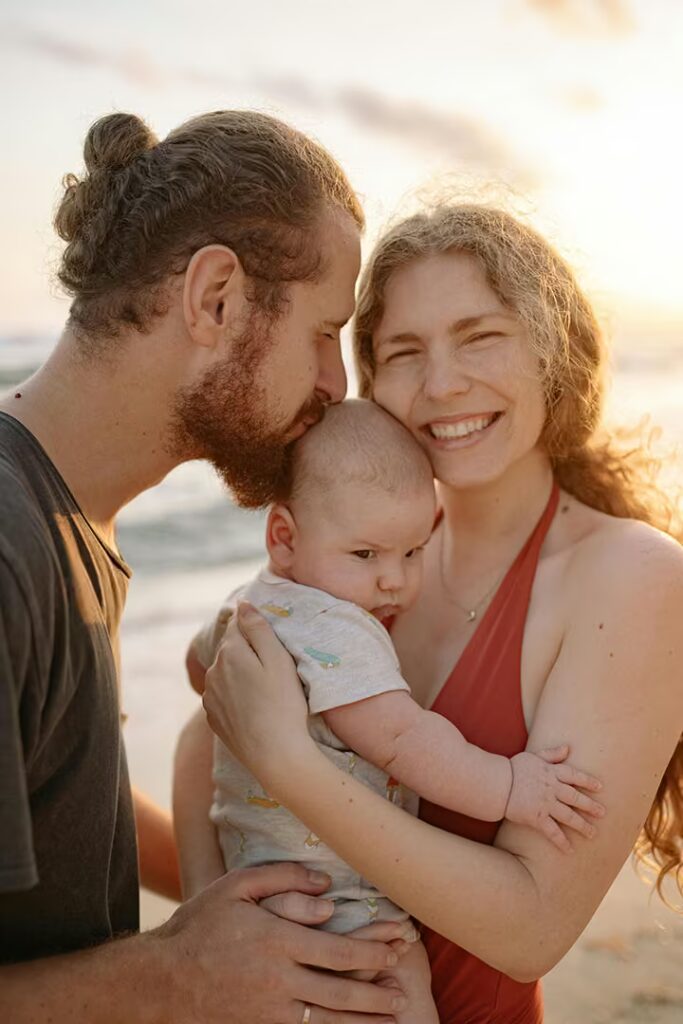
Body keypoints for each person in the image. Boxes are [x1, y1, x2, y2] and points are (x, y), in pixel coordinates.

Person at [199, 203, 683, 1023]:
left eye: (480, 335)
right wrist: (221, 934)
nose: (442, 383)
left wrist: (288, 764)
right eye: (403, 352)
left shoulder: (635, 578)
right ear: (372, 382)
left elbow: (530, 929)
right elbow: (212, 720)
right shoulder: (369, 558)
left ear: (552, 351)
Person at [0, 109, 411, 1023]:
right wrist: (173, 974)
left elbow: (61, 812)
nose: (336, 384)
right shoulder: (6, 543)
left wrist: (248, 874)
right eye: (322, 332)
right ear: (216, 296)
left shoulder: (70, 518)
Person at [180, 398, 604, 1023]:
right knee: (402, 986)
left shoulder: (245, 606)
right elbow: (405, 740)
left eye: (412, 552)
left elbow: (201, 673)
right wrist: (512, 787)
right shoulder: (339, 630)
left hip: (257, 897)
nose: (394, 582)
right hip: (346, 912)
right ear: (283, 536)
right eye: (366, 555)